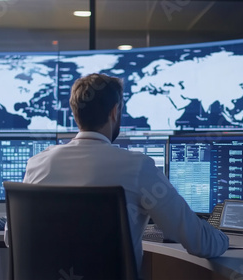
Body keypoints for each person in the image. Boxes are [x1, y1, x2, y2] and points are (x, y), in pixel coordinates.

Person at [20, 73, 229, 272]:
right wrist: (224, 239)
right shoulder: (138, 167)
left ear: (75, 113)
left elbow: (11, 238)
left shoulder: (38, 164)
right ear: (114, 112)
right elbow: (199, 241)